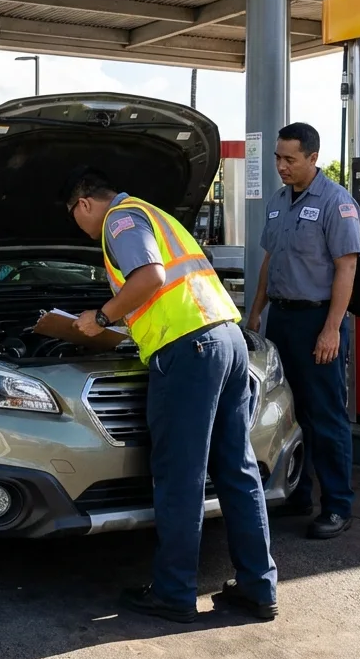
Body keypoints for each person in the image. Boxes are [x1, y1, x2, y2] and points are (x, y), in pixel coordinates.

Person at [68, 170, 277, 623]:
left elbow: (149, 276)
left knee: (181, 475)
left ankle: (174, 592)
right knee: (237, 468)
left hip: (189, 352)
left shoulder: (120, 220)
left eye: (74, 217)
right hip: (227, 339)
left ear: (84, 203)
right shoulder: (155, 214)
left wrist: (101, 317)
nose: (79, 227)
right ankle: (259, 587)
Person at [246, 122, 360, 540]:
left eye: (290, 159)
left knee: (325, 415)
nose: (281, 166)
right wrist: (255, 313)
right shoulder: (278, 201)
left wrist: (331, 330)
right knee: (287, 409)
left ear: (313, 158)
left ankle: (338, 505)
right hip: (282, 318)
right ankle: (297, 493)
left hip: (318, 321)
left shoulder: (336, 202)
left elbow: (347, 267)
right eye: (278, 157)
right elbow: (270, 260)